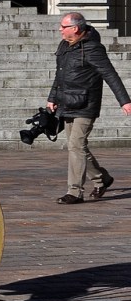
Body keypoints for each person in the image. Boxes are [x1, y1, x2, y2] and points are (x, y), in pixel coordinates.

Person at [46, 12, 131, 204]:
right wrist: (52, 97)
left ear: (74, 29)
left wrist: (124, 101)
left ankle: (74, 192)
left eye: (63, 26)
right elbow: (60, 76)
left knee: (76, 145)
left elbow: (110, 75)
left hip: (86, 104)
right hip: (67, 102)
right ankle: (102, 179)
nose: (60, 29)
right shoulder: (64, 46)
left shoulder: (93, 49)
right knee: (77, 146)